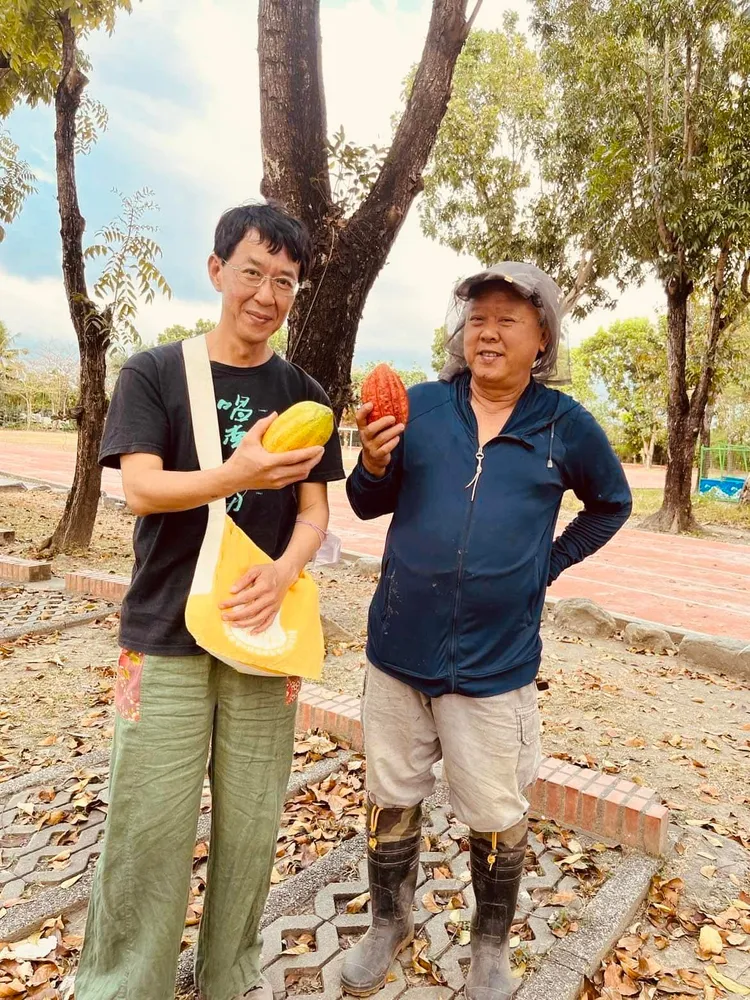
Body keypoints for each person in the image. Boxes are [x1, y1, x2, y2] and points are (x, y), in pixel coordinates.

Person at [75, 202, 345, 1000]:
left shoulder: (304, 394)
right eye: (253, 273)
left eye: (285, 281)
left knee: (253, 826)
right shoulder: (155, 372)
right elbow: (141, 489)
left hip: (263, 634)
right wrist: (236, 474)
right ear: (218, 270)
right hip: (164, 631)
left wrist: (285, 571)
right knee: (147, 827)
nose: (266, 294)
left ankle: (230, 978)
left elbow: (315, 512)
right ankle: (124, 986)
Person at [342, 263, 632, 1000]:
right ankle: (388, 922)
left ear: (542, 340)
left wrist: (546, 564)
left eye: (508, 319)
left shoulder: (565, 426)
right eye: (477, 318)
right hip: (399, 650)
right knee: (391, 792)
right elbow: (366, 500)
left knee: (497, 812)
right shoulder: (422, 407)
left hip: (495, 664)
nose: (488, 332)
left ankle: (491, 947)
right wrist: (371, 462)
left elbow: (611, 503)